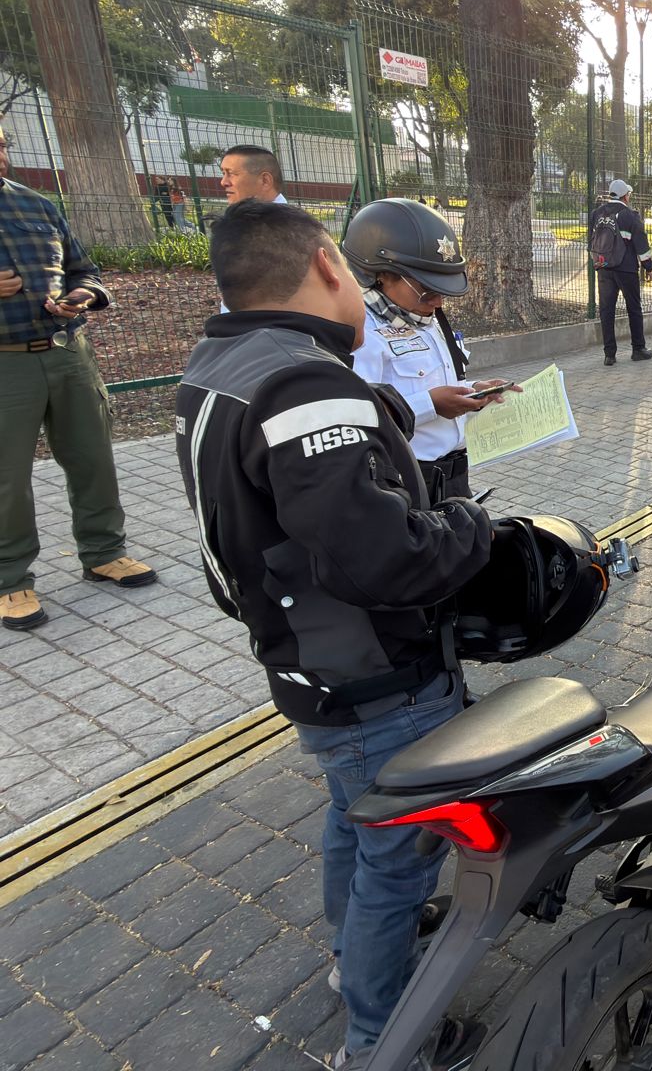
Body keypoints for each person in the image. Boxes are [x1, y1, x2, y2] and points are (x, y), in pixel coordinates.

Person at [174, 200, 492, 1069]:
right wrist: (472, 528)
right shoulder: (302, 383)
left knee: (353, 820)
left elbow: (282, 503)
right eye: (351, 273)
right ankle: (382, 1036)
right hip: (373, 673)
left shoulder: (221, 364)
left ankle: (352, 967)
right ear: (324, 264)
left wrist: (381, 407)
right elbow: (384, 560)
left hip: (306, 665)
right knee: (399, 854)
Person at [0, 123, 157, 631]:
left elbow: (83, 269)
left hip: (68, 351)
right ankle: (10, 580)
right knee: (7, 480)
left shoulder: (37, 205)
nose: (0, 153)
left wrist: (85, 295)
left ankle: (103, 552)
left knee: (93, 458)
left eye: (2, 143)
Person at [345, 198, 516, 502]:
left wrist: (472, 390)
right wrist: (431, 406)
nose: (438, 302)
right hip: (406, 483)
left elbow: (434, 384)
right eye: (428, 290)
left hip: (454, 477)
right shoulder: (362, 334)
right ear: (380, 275)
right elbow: (360, 420)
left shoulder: (423, 316)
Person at [589, 178, 652, 366]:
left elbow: (592, 240)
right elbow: (641, 244)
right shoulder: (630, 215)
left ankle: (609, 354)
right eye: (629, 194)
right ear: (626, 196)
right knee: (634, 307)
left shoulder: (597, 214)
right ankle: (638, 349)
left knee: (606, 310)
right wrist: (648, 267)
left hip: (603, 267)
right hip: (626, 269)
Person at [219, 144, 287, 205]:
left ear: (265, 181)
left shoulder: (280, 218)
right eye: (223, 173)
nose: (223, 182)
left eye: (231, 173)